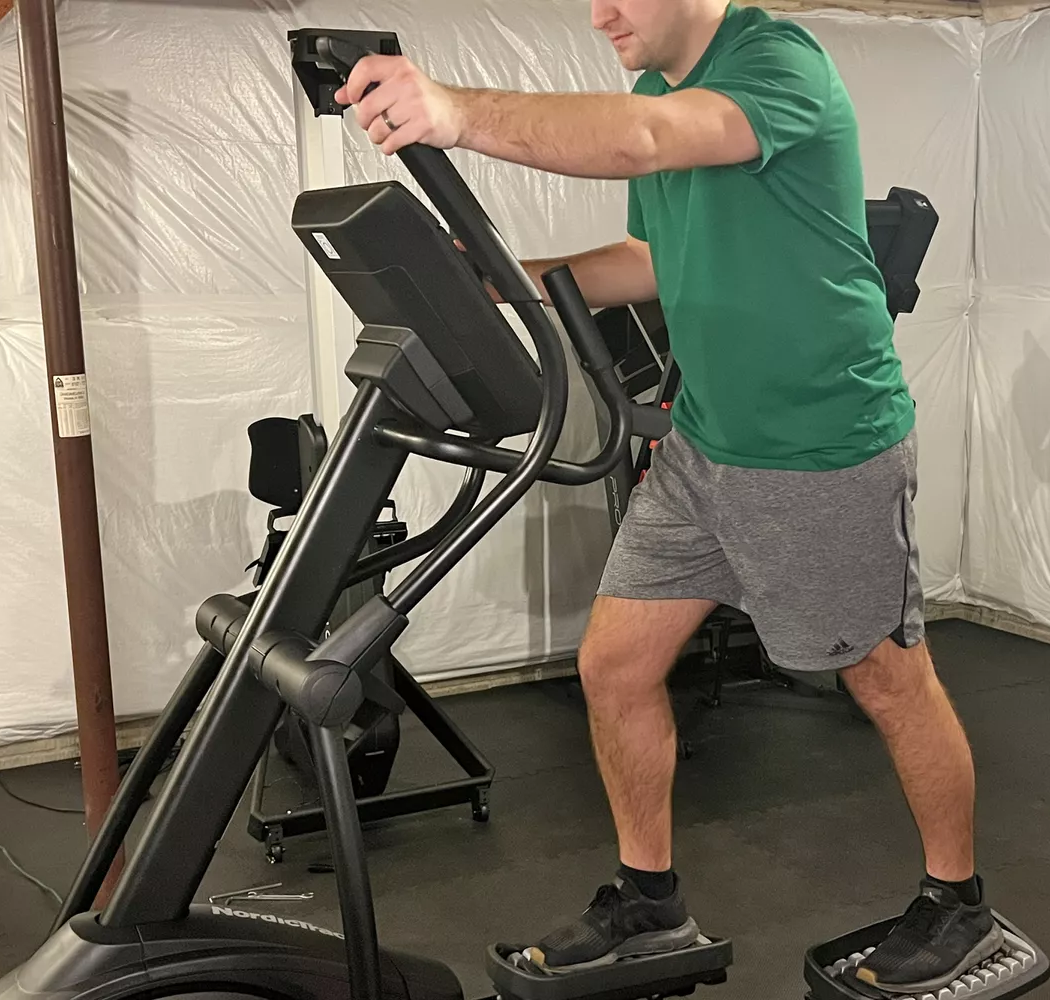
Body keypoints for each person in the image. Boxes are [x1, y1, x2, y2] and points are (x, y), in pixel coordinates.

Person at [336, 0, 1000, 993]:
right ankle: (650, 902)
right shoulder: (658, 87)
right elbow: (650, 260)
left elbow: (647, 140)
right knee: (613, 666)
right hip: (705, 448)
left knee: (887, 678)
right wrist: (514, 281)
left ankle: (960, 904)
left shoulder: (779, 65)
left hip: (823, 450)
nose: (599, 13)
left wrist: (457, 111)